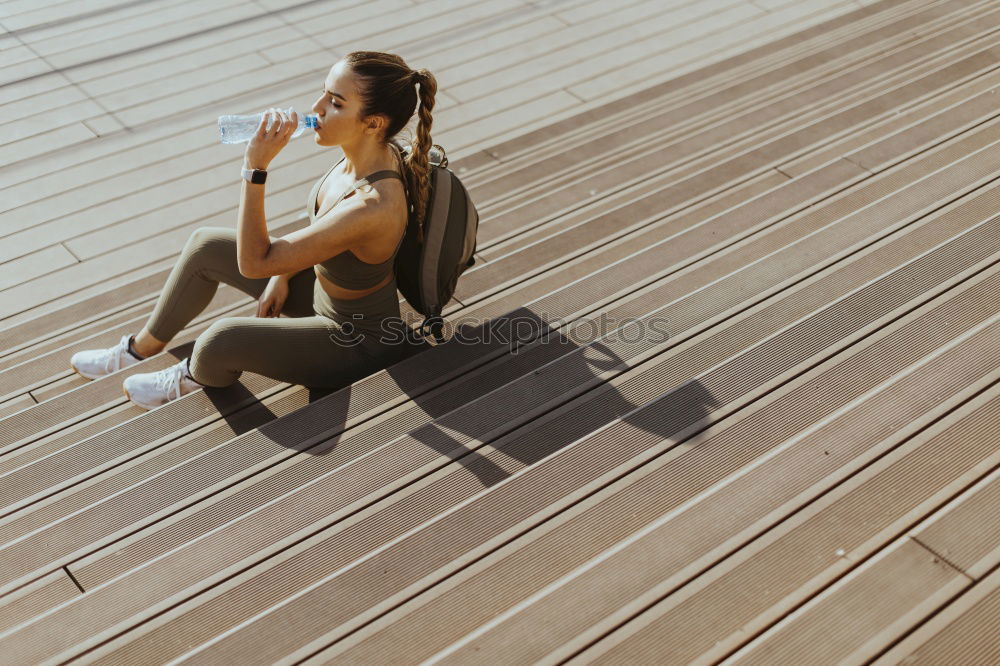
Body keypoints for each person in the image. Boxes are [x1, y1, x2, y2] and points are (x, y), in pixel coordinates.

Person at [70, 51, 437, 410]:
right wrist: (282, 277)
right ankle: (140, 349)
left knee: (220, 339)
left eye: (336, 103)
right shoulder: (363, 157)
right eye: (324, 92)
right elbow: (322, 235)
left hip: (354, 341)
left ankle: (192, 376)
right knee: (206, 246)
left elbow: (254, 263)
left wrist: (255, 168)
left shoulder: (372, 204)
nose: (317, 106)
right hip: (322, 296)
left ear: (373, 123)